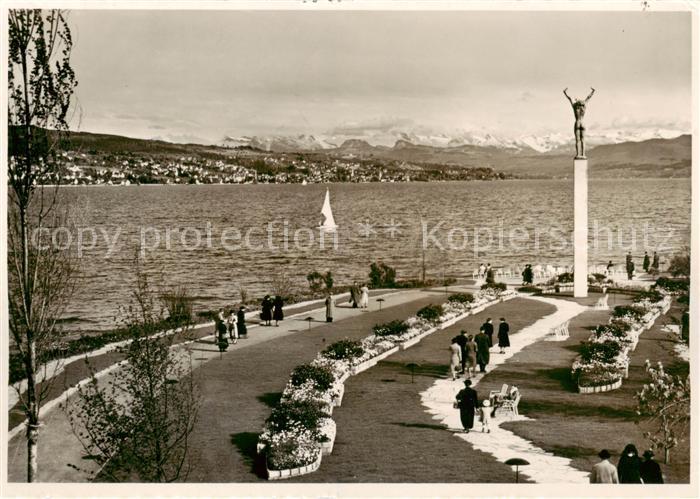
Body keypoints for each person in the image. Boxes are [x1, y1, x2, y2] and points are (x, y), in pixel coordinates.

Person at [563, 87, 595, 158]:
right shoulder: (584, 106)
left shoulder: (574, 106)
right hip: (583, 123)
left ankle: (578, 154)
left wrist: (565, 92)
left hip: (577, 122)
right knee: (583, 139)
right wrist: (592, 91)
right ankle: (583, 154)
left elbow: (570, 98)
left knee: (577, 140)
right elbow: (588, 97)